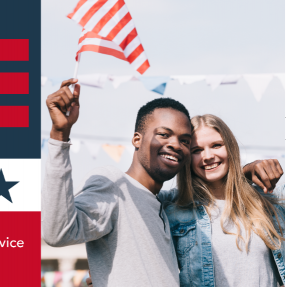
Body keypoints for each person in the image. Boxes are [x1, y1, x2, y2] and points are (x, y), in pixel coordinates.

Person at [43, 79, 281, 287]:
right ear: (137, 139)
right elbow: (59, 232)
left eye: (184, 141)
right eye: (164, 134)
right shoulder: (122, 187)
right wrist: (59, 136)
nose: (175, 145)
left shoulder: (163, 205)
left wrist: (242, 175)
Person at [164, 115, 284, 287]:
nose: (207, 156)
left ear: (230, 147)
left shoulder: (269, 202)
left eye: (216, 145)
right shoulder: (174, 209)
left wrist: (243, 176)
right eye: (196, 150)